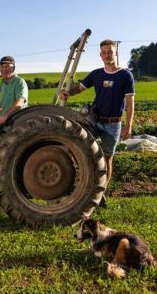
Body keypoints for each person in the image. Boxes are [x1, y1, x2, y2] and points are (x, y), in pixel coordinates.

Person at [61, 39, 135, 207]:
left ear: (116, 53)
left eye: (110, 51)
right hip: (94, 121)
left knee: (107, 159)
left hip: (113, 124)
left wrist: (128, 125)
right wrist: (67, 93)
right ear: (100, 55)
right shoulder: (96, 74)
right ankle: (80, 187)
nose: (107, 55)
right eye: (104, 52)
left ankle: (101, 193)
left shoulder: (125, 75)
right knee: (80, 150)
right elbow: (79, 88)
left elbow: (130, 102)